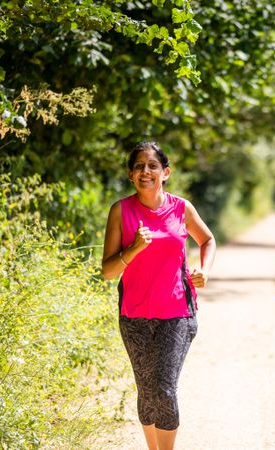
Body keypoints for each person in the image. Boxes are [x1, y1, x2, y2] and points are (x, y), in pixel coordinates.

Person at [101, 141, 216, 450]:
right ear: (130, 174)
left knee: (164, 389)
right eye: (139, 166)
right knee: (146, 390)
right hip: (134, 317)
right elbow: (108, 271)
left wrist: (204, 269)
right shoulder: (120, 211)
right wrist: (133, 249)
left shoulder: (181, 208)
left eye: (152, 166)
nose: (145, 171)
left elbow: (207, 240)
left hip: (177, 314)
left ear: (166, 172)